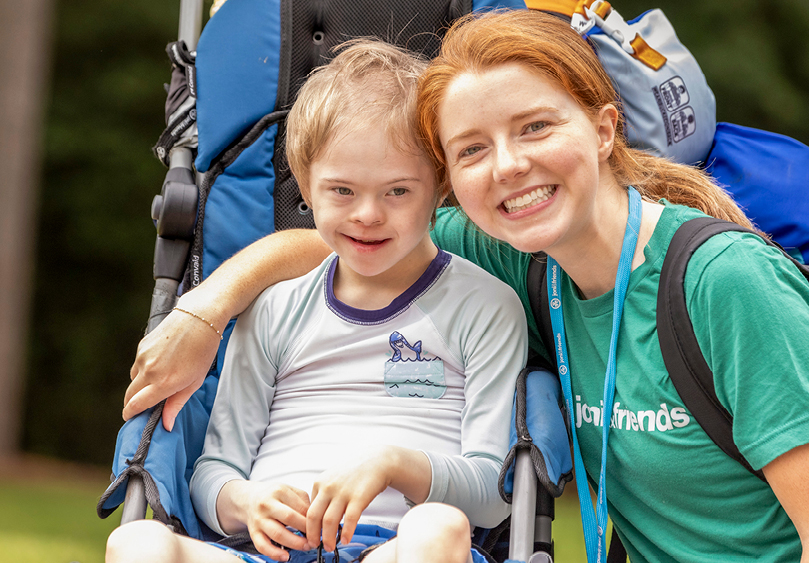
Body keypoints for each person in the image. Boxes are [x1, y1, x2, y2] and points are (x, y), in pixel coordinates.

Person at [122, 11, 809, 563]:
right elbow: (329, 246)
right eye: (474, 148)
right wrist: (203, 310)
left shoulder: (725, 282)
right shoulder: (527, 257)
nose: (508, 167)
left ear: (606, 128)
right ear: (454, 182)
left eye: (536, 128)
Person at [107, 39, 527, 563]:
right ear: (305, 187)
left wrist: (394, 463)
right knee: (136, 542)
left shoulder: (485, 307)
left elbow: (493, 494)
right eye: (341, 191)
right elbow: (214, 473)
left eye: (398, 191)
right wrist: (245, 502)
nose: (367, 214)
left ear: (441, 185)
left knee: (438, 528)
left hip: (397, 548)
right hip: (271, 549)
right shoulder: (274, 309)